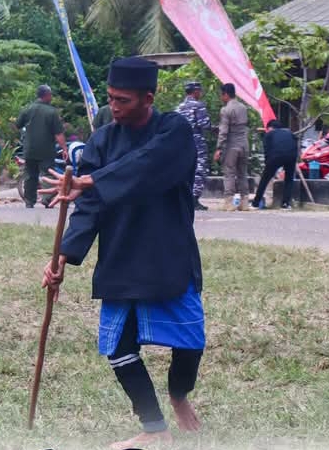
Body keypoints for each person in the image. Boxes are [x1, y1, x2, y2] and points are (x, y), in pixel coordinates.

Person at [40, 57, 205, 450]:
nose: (114, 107)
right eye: (111, 98)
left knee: (189, 341)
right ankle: (153, 426)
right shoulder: (101, 140)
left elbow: (148, 167)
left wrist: (93, 179)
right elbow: (90, 206)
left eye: (124, 100)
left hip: (167, 250)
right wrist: (63, 254)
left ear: (149, 98)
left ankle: (179, 395)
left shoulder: (175, 131)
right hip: (120, 252)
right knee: (117, 347)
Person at [16, 84, 68, 208]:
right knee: (48, 174)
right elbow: (58, 133)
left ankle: (29, 201)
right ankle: (47, 200)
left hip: (30, 149)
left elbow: (18, 125)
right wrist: (64, 148)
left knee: (30, 174)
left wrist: (26, 135)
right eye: (51, 95)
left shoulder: (27, 109)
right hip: (46, 150)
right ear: (47, 95)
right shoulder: (51, 112)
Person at [176, 82, 211, 211]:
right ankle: (194, 198)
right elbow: (204, 124)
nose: (200, 93)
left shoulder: (179, 107)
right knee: (199, 169)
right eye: (199, 91)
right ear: (195, 92)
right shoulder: (198, 106)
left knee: (185, 168)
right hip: (197, 141)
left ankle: (185, 197)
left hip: (182, 142)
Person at [214, 83, 249, 211]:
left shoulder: (226, 110)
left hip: (231, 145)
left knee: (229, 173)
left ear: (226, 94)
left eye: (221, 95)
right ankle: (244, 203)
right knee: (242, 173)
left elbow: (223, 131)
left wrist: (218, 148)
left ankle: (229, 202)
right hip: (244, 144)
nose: (221, 97)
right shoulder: (243, 107)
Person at [251, 120, 298, 210]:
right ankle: (285, 204)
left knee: (265, 179)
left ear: (270, 128)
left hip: (275, 156)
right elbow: (295, 145)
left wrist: (267, 165)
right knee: (289, 180)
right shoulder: (290, 133)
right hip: (291, 156)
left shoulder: (269, 134)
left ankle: (255, 204)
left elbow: (267, 151)